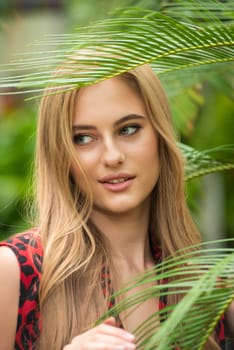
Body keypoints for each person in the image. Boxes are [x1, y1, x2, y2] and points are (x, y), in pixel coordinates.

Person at [0, 63, 233, 350]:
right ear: (61, 154)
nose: (112, 156)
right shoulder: (16, 272)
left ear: (160, 136)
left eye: (128, 129)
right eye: (83, 138)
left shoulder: (205, 290)